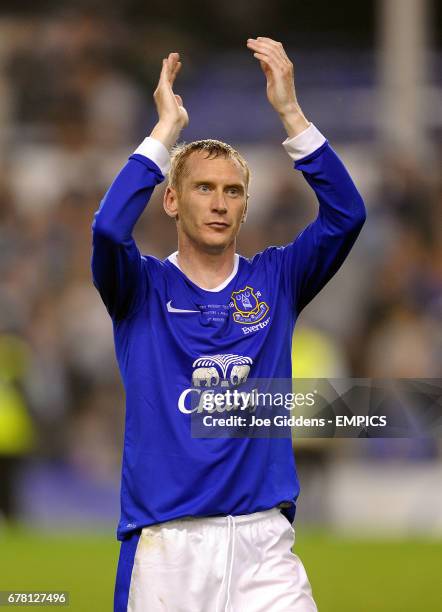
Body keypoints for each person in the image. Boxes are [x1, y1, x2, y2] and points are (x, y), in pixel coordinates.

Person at [92, 37, 366, 612]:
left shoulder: (277, 279)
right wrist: (165, 133)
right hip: (168, 547)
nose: (220, 203)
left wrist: (291, 112)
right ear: (171, 201)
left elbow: (347, 214)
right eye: (204, 188)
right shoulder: (139, 287)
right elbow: (109, 231)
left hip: (264, 544)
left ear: (245, 206)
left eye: (233, 191)